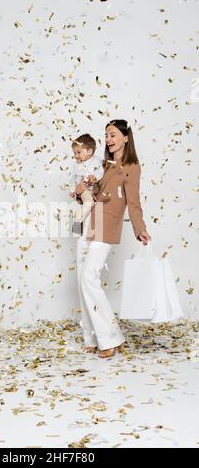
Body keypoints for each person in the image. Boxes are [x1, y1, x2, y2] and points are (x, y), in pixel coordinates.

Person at [75, 119, 151, 358]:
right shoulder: (101, 164)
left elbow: (134, 202)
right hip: (87, 222)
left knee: (89, 277)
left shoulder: (131, 166)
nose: (108, 139)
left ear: (125, 137)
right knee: (82, 280)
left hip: (107, 225)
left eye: (113, 134)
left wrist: (140, 228)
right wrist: (81, 191)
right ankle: (92, 337)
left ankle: (110, 338)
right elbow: (93, 194)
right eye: (106, 135)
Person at [69, 134, 103, 234]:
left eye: (78, 152)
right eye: (74, 153)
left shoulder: (96, 161)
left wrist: (95, 177)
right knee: (89, 203)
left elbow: (101, 171)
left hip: (95, 189)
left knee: (97, 205)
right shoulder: (77, 165)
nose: (76, 155)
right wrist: (72, 190)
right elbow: (73, 179)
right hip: (84, 190)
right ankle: (77, 222)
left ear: (89, 151)